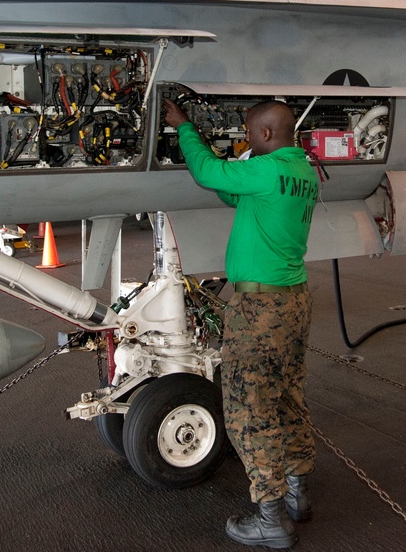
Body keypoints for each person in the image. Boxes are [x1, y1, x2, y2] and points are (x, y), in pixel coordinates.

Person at [163, 97, 319, 549]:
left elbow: (210, 174)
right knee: (288, 395)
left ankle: (270, 518)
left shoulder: (268, 170)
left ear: (266, 135)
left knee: (250, 408)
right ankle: (297, 494)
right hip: (294, 302)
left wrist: (185, 128)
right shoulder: (302, 171)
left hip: (261, 310)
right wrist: (234, 164)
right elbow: (232, 190)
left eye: (250, 135)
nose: (246, 141)